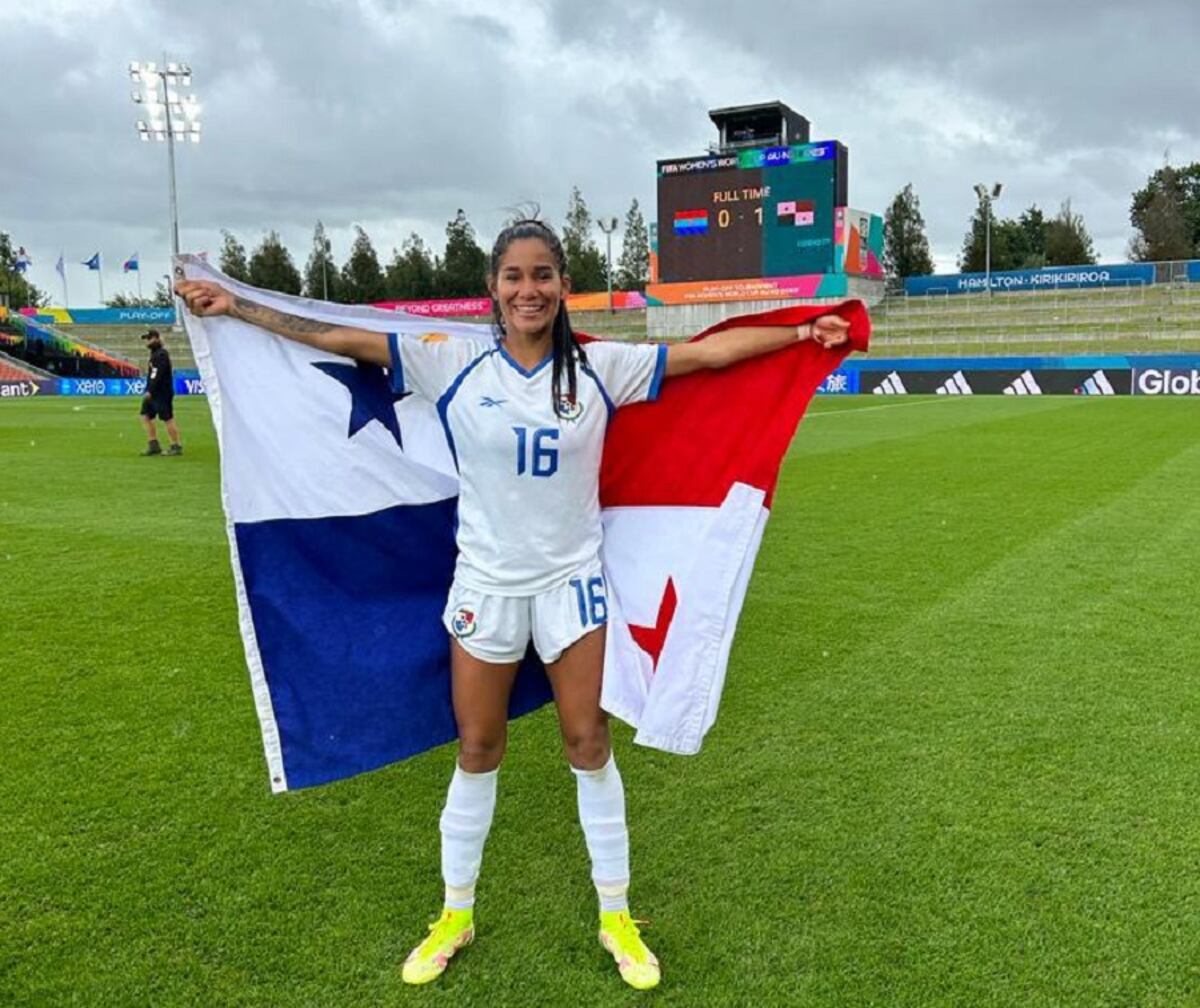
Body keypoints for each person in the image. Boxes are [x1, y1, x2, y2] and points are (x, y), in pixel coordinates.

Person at [175, 218, 851, 991]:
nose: (528, 290)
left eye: (542, 276)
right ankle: (455, 914)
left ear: (563, 286)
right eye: (513, 277)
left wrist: (802, 330)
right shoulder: (450, 358)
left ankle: (617, 916)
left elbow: (705, 355)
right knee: (477, 749)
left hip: (571, 589)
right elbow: (335, 337)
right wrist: (235, 307)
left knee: (588, 743)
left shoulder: (604, 367)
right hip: (485, 590)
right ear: (494, 288)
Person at [139, 329, 182, 456]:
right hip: (154, 392)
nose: (147, 342)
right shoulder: (155, 354)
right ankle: (153, 444)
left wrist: (149, 390)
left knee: (167, 418)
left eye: (149, 338)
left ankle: (176, 445)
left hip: (161, 392)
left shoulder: (161, 354)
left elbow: (156, 374)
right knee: (145, 415)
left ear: (157, 338)